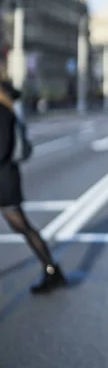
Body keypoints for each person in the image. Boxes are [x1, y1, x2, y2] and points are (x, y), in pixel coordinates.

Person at [0, 78, 66, 294]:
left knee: (22, 226)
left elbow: (2, 149)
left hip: (4, 180)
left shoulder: (3, 112)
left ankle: (52, 270)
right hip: (6, 178)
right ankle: (52, 270)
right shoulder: (7, 111)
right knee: (23, 227)